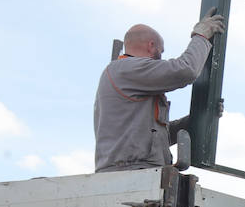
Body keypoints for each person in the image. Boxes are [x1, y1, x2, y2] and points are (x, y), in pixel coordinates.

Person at [94, 12, 226, 173]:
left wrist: (200, 118)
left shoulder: (127, 77)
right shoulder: (125, 69)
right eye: (161, 52)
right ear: (151, 46)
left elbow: (158, 137)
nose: (161, 58)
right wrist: (201, 36)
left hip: (135, 169)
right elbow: (186, 70)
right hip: (131, 171)